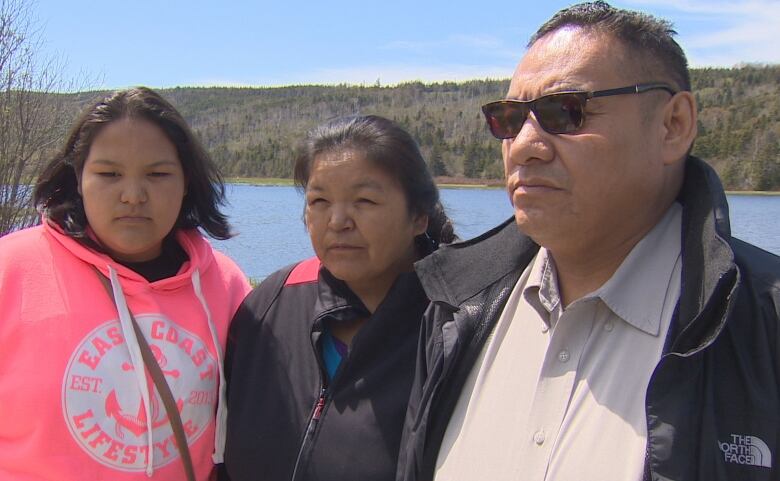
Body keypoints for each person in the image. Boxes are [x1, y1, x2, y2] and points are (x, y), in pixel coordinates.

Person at [397, 3, 780, 481]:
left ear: (673, 125)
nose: (523, 145)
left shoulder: (763, 324)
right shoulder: (454, 310)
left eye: (565, 111)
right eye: (509, 119)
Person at [0, 87, 252, 481]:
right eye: (109, 174)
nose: (133, 195)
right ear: (78, 178)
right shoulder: (11, 270)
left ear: (186, 181)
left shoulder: (226, 286)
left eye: (157, 174)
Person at [220, 115, 455, 481]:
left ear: (419, 217)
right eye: (319, 200)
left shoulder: (455, 324)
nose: (338, 220)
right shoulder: (272, 305)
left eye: (364, 200)